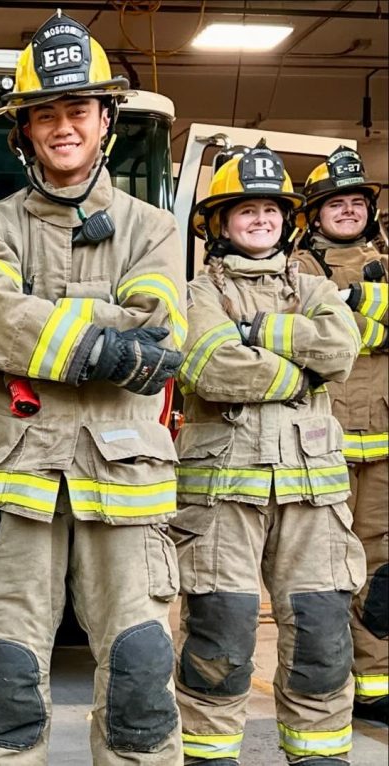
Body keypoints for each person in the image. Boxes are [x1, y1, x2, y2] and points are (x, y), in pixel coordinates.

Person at [0, 11, 186, 764]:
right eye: (42, 114)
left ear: (105, 118)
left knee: (142, 687)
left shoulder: (153, 229)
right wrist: (100, 336)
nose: (61, 127)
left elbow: (158, 336)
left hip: (126, 487)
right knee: (3, 685)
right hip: (19, 482)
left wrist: (45, 331)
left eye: (76, 109)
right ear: (22, 132)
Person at [171, 142, 365, 765]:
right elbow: (209, 367)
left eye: (272, 210)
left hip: (312, 492)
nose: (262, 221)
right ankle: (208, 757)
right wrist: (300, 377)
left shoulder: (315, 287)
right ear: (219, 224)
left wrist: (259, 334)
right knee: (219, 639)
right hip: (222, 492)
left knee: (321, 639)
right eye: (246, 211)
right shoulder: (197, 294)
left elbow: (340, 350)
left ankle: (319, 756)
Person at [290, 147, 387, 724]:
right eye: (336, 203)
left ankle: (376, 684)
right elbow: (310, 335)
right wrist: (367, 321)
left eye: (357, 202)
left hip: (382, 439)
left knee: (382, 563)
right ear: (314, 213)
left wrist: (350, 307)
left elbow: (336, 328)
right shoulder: (295, 269)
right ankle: (326, 688)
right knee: (321, 568)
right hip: (317, 444)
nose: (348, 211)